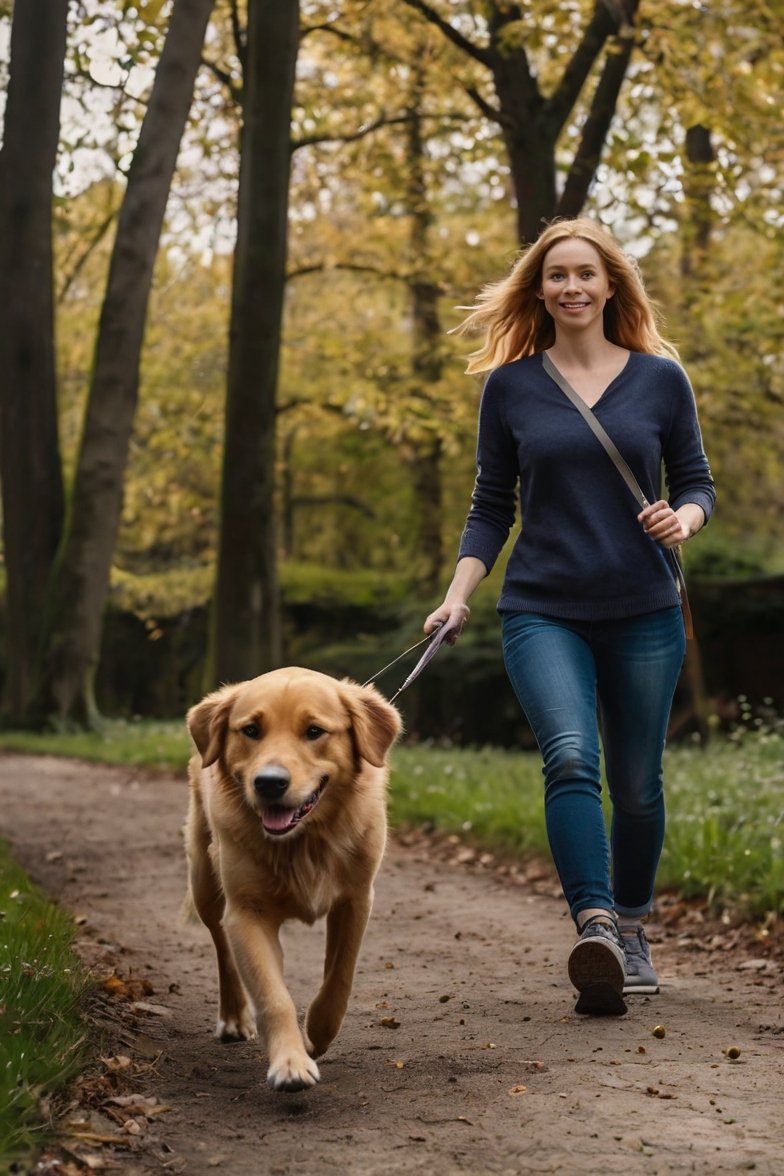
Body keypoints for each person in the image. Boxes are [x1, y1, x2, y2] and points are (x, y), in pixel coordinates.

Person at [425, 217, 715, 1016]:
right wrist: (458, 596)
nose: (573, 286)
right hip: (542, 608)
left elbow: (697, 482)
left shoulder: (661, 380)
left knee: (638, 786)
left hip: (644, 609)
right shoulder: (511, 387)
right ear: (540, 290)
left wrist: (682, 520)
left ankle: (631, 923)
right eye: (557, 275)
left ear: (611, 284)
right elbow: (491, 507)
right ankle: (595, 929)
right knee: (569, 758)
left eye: (587, 273)